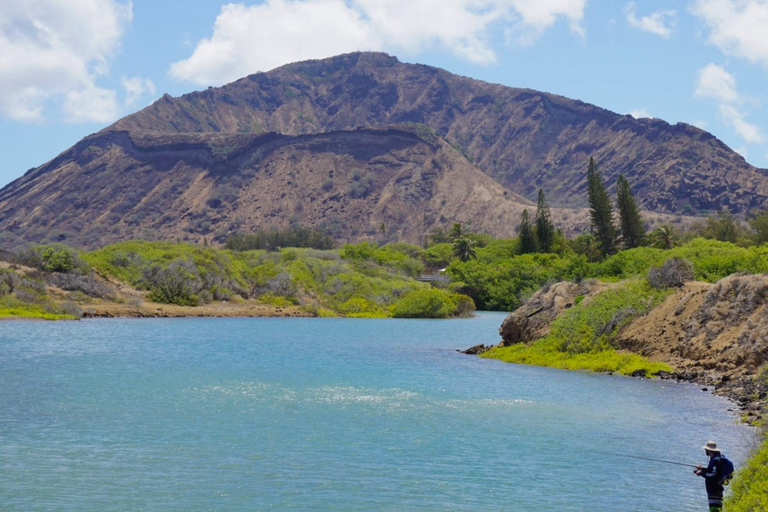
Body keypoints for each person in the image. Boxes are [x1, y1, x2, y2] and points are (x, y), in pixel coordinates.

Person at [694, 441, 728, 512]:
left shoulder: (716, 460)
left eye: (706, 449)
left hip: (715, 490)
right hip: (714, 490)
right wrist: (702, 469)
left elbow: (713, 475)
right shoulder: (715, 458)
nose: (705, 451)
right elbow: (712, 471)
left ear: (709, 450)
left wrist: (701, 473)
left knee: (715, 510)